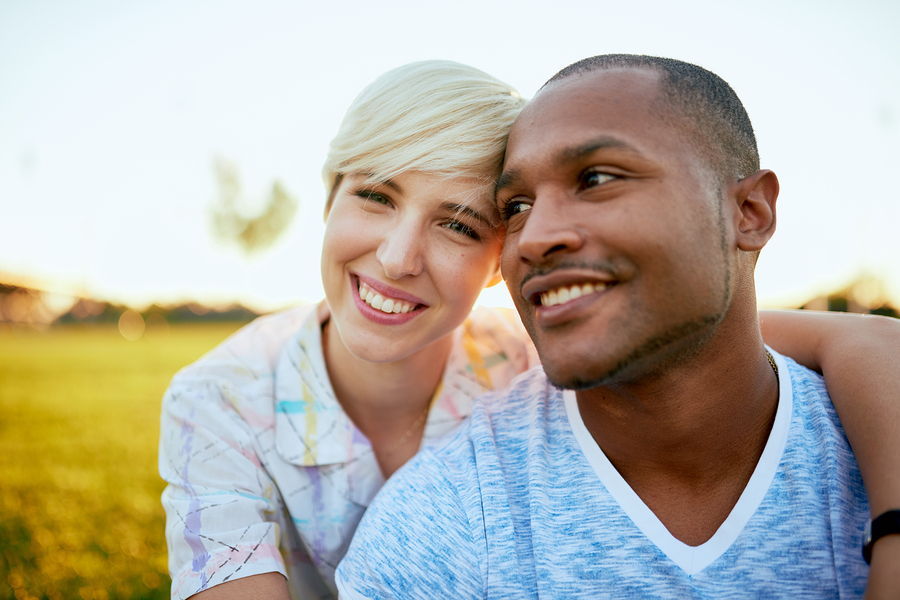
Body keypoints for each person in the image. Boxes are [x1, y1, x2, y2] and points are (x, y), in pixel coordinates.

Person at [160, 60, 900, 600]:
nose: (395, 256)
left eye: (459, 223)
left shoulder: (530, 353)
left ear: (493, 263)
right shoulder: (221, 402)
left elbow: (734, 332)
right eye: (374, 196)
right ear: (329, 199)